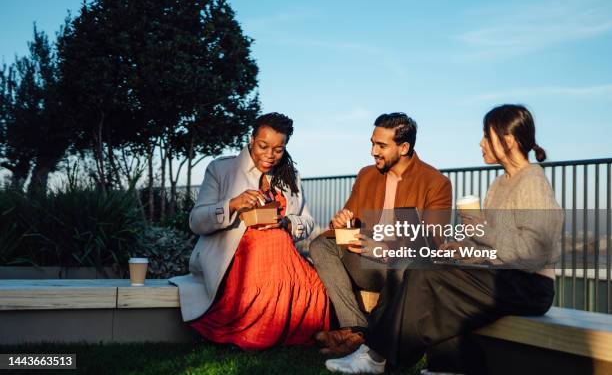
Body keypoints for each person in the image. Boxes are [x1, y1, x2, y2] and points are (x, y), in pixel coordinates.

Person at [324, 104, 564, 374]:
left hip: (529, 286)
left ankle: (376, 355)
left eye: (487, 136)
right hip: (502, 276)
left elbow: (532, 250)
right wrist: (462, 250)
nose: (481, 143)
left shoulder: (531, 181)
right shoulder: (500, 184)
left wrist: (479, 231)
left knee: (428, 277)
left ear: (507, 141)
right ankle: (446, 366)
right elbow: (494, 246)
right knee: (422, 268)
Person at [169, 112, 329, 350]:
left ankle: (268, 332)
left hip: (282, 258)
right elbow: (196, 221)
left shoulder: (291, 177)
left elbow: (307, 223)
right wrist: (232, 205)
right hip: (233, 258)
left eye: (278, 149)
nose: (270, 155)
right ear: (252, 139)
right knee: (270, 244)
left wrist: (285, 223)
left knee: (314, 282)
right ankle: (254, 334)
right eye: (263, 146)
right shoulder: (221, 169)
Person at [309, 112, 452, 356]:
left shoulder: (436, 183)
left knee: (406, 262)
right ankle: (355, 329)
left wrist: (387, 249)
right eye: (372, 143)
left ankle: (372, 338)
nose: (373, 151)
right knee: (321, 244)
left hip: (402, 270)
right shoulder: (366, 174)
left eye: (381, 145)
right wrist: (342, 223)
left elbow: (432, 244)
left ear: (404, 147)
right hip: (366, 263)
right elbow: (347, 219)